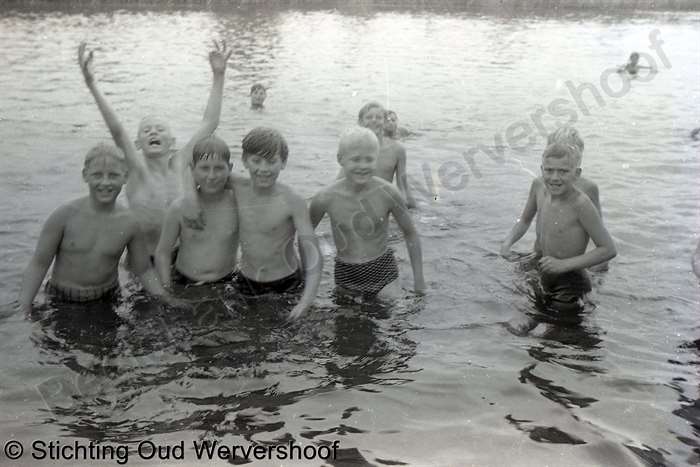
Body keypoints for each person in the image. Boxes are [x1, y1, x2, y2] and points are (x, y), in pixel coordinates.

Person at [78, 41, 231, 257]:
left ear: (172, 142)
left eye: (160, 129)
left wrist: (219, 76)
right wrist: (92, 84)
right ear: (138, 144)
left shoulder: (181, 163)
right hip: (144, 259)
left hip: (181, 257)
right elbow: (117, 131)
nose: (153, 132)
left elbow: (209, 123)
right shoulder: (136, 169)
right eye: (146, 130)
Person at [17, 144, 176, 313]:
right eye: (97, 175)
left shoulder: (130, 223)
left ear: (125, 177)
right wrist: (24, 306)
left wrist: (165, 297)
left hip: (107, 298)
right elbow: (39, 264)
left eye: (113, 175)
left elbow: (144, 270)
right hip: (61, 297)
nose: (105, 182)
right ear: (85, 175)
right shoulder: (64, 216)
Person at [500, 143, 617, 335]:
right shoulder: (540, 188)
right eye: (549, 170)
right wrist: (506, 244)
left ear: (576, 174)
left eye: (563, 171)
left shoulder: (581, 205)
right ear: (541, 170)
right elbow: (525, 220)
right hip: (546, 273)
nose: (555, 177)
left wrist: (563, 265)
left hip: (571, 281)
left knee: (553, 336)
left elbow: (608, 249)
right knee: (520, 329)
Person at [311, 127, 425, 297]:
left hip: (382, 269)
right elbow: (305, 235)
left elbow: (410, 233)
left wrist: (419, 280)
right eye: (356, 159)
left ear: (377, 159)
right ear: (340, 159)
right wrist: (309, 275)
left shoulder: (388, 193)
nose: (363, 166)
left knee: (390, 310)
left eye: (369, 159)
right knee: (345, 313)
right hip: (346, 273)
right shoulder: (325, 198)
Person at [229, 127, 321, 319]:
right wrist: (192, 201)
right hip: (245, 280)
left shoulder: (292, 200)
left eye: (271, 162)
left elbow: (312, 252)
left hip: (285, 283)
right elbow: (191, 164)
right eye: (256, 161)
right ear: (244, 160)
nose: (263, 169)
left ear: (283, 163)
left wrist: (306, 301)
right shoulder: (236, 186)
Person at [500, 125, 602, 259]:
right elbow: (524, 220)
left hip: (567, 263)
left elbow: (599, 236)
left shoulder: (588, 188)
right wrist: (507, 244)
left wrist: (597, 267)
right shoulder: (539, 184)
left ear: (578, 158)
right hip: (539, 257)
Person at [154, 135, 238, 289]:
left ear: (230, 168)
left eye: (219, 168)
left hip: (227, 281)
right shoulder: (179, 207)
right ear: (193, 169)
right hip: (185, 280)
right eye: (204, 168)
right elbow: (162, 252)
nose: (211, 176)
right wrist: (166, 289)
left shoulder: (238, 204)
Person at [339, 102, 416, 208]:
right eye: (369, 117)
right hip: (354, 202)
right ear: (360, 122)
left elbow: (403, 186)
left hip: (381, 203)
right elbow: (339, 182)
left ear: (385, 122)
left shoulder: (397, 149)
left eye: (378, 117)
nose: (374, 120)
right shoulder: (353, 147)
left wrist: (412, 209)